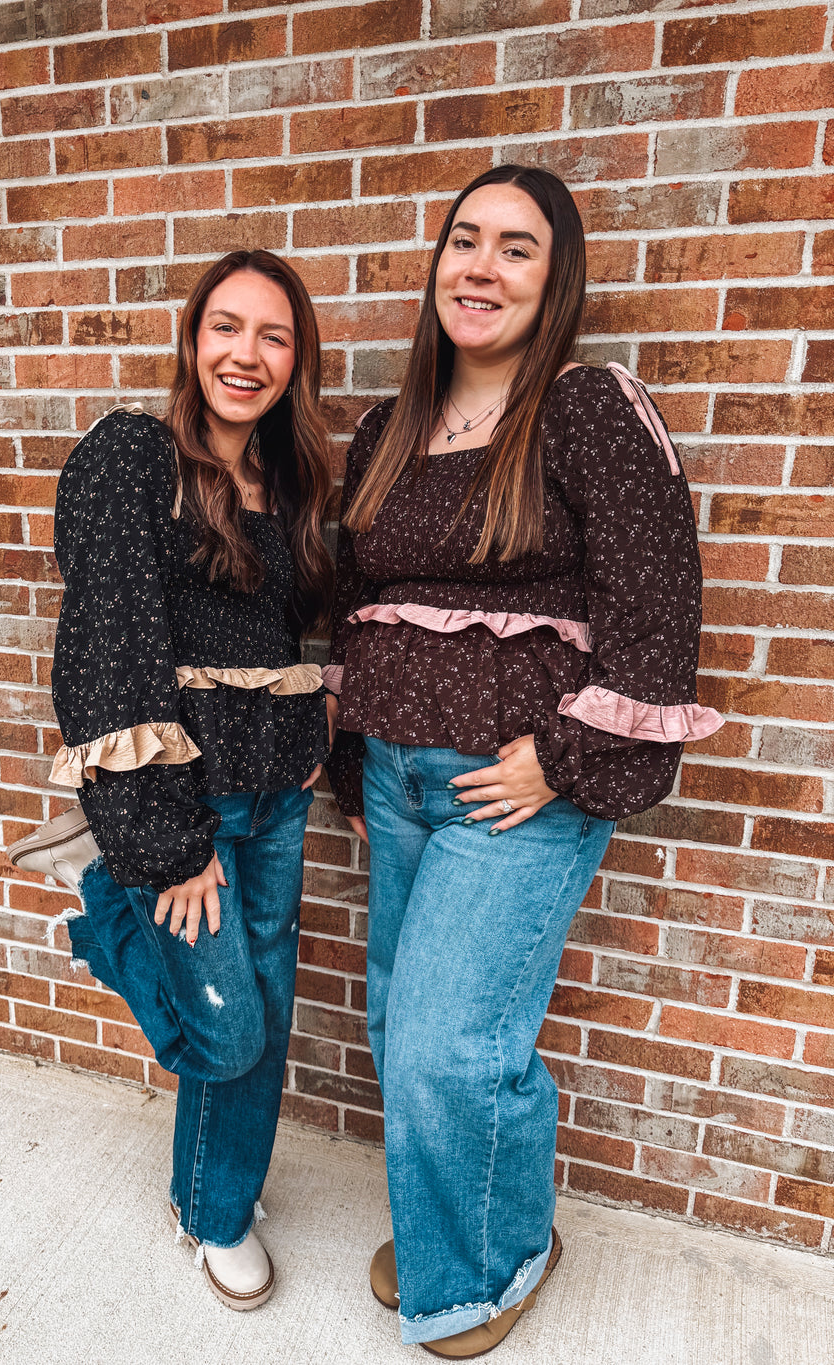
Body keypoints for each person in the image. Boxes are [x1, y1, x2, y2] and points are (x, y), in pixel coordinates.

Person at [325, 165, 723, 1357]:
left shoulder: (588, 409)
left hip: (512, 793)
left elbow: (656, 613)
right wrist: (351, 764)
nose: (481, 268)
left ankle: (488, 1267)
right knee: (399, 1023)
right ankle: (472, 1223)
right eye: (464, 240)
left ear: (555, 282)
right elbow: (354, 608)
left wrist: (559, 759)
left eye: (515, 248)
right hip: (395, 776)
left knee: (451, 1046)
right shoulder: (387, 430)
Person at [7, 250, 336, 1310]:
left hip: (277, 798)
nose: (247, 353)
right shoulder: (135, 455)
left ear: (296, 360)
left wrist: (315, 719)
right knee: (228, 1029)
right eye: (226, 327)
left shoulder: (285, 485)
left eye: (274, 336)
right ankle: (109, 900)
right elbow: (107, 653)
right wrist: (162, 843)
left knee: (263, 1018)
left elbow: (280, 637)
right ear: (193, 340)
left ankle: (212, 1203)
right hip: (188, 807)